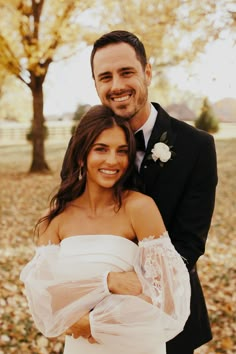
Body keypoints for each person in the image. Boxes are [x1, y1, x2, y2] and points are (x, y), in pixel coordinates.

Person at [61, 30, 218, 354]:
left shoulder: (197, 146)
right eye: (105, 77)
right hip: (87, 319)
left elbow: (188, 242)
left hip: (166, 317)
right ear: (95, 85)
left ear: (147, 72)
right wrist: (84, 300)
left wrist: (128, 299)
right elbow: (69, 221)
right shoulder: (82, 144)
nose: (116, 85)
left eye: (127, 72)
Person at [20, 105, 191, 354]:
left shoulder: (140, 208)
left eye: (122, 151)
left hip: (135, 346)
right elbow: (44, 298)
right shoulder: (55, 218)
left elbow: (168, 300)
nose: (112, 160)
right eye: (101, 149)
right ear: (81, 155)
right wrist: (108, 282)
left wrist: (92, 323)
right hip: (81, 348)